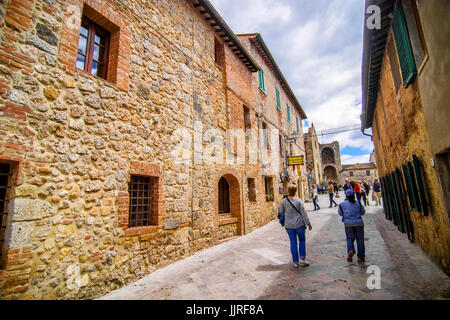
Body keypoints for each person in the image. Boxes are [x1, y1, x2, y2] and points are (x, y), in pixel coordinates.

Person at [278, 184, 312, 268]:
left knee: (293, 242)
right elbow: (304, 214)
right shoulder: (299, 201)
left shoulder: (284, 201)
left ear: (288, 191)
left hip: (289, 225)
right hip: (299, 224)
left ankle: (295, 262)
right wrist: (308, 223)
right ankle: (303, 259)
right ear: (296, 191)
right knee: (302, 241)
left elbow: (280, 211)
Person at [338, 189, 366, 262]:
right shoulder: (358, 203)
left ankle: (350, 250)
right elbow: (363, 212)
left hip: (348, 224)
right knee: (360, 240)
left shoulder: (342, 204)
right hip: (359, 223)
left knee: (349, 239)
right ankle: (360, 257)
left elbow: (340, 213)